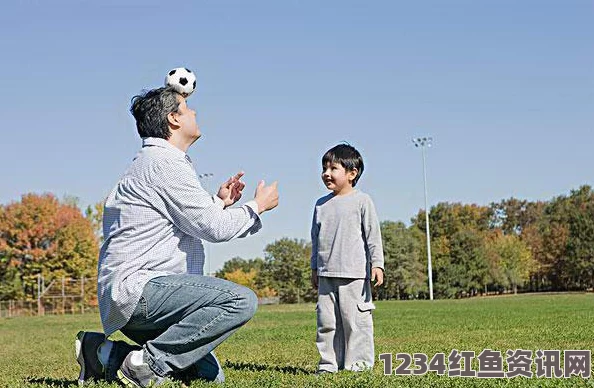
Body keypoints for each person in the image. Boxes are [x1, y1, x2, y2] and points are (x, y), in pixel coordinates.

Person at [75, 85, 279, 387]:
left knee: (210, 375)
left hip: (130, 299)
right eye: (187, 108)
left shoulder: (152, 164)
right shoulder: (164, 164)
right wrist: (257, 207)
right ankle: (146, 365)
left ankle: (104, 353)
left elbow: (188, 220)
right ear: (173, 119)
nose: (194, 112)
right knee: (240, 301)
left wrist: (219, 201)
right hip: (142, 294)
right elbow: (212, 228)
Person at [310, 143, 384, 374]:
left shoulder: (362, 201)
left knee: (355, 322)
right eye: (324, 168)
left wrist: (377, 264)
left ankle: (358, 364)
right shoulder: (320, 205)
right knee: (327, 323)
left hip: (354, 274)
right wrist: (314, 268)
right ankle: (329, 364)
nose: (326, 173)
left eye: (333, 168)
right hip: (326, 275)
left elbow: (373, 235)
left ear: (352, 174)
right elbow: (315, 240)